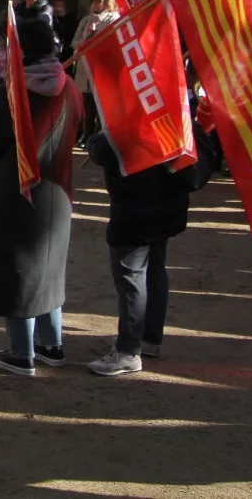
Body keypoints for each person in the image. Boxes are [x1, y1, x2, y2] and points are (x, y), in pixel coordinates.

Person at [0, 16, 73, 377]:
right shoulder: (70, 88)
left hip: (16, 194)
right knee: (48, 270)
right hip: (58, 195)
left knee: (18, 272)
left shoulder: (15, 93)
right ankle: (51, 344)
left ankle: (21, 352)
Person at [85, 130, 195, 376]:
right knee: (154, 269)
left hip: (138, 207)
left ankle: (128, 350)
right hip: (167, 204)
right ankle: (147, 340)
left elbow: (106, 149)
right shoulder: (172, 110)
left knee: (131, 276)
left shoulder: (136, 111)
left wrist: (95, 138)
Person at [71, 0, 121, 137]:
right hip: (84, 68)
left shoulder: (114, 19)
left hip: (102, 69)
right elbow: (74, 43)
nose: (94, 3)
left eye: (98, 0)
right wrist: (88, 35)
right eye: (93, 0)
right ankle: (86, 135)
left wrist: (94, 38)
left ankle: (100, 136)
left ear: (107, 2)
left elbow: (110, 43)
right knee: (86, 104)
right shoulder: (87, 20)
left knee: (101, 105)